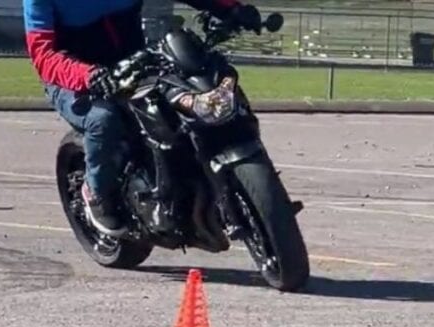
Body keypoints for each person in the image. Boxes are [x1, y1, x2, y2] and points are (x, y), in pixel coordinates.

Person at [23, 0, 262, 236]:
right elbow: (44, 55)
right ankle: (97, 195)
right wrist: (88, 75)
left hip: (135, 62)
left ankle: (218, 178)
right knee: (103, 120)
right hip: (74, 78)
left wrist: (232, 9)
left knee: (195, 91)